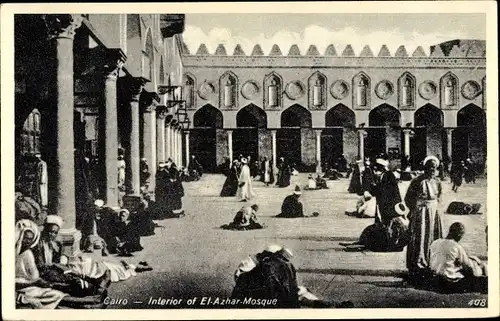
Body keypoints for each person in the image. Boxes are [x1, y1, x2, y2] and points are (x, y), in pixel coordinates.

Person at [231, 245, 353, 308]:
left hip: (250, 298)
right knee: (301, 293)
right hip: (274, 298)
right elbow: (290, 286)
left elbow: (238, 278)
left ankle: (323, 304)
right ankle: (325, 304)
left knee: (297, 294)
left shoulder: (252, 261)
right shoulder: (285, 266)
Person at [405, 156, 444, 281]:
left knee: (433, 236)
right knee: (420, 236)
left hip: (433, 211)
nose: (432, 170)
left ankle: (431, 263)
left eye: (434, 167)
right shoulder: (417, 181)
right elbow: (408, 198)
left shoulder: (437, 181)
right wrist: (415, 209)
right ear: (425, 168)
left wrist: (435, 208)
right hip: (421, 212)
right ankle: (417, 264)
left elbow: (439, 197)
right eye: (429, 167)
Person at [15, 219, 69, 309]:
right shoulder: (36, 247)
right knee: (57, 293)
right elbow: (39, 267)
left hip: (43, 277)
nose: (52, 235)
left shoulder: (56, 244)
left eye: (55, 233)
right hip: (39, 278)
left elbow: (58, 260)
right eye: (50, 232)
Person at [429, 222, 487, 293]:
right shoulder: (456, 246)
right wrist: (479, 265)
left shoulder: (435, 243)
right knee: (482, 273)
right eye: (461, 236)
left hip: (435, 279)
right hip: (448, 282)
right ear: (459, 234)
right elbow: (469, 268)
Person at [340, 202, 410, 252]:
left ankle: (361, 243)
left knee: (372, 230)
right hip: (398, 246)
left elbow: (391, 234)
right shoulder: (405, 221)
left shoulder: (395, 220)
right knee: (374, 229)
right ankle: (361, 243)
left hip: (390, 244)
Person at [371, 158, 402, 226]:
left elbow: (389, 189)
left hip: (388, 202)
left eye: (378, 166)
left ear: (382, 167)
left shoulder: (388, 175)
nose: (376, 168)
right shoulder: (382, 175)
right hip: (382, 201)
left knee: (386, 219)